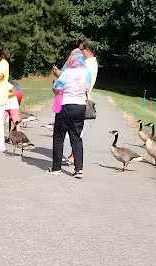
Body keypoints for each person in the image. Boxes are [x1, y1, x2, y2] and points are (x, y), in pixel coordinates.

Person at [52, 40, 98, 164]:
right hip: (80, 101)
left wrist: (59, 74)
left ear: (87, 50)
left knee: (70, 134)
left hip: (73, 100)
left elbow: (73, 81)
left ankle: (71, 158)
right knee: (76, 133)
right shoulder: (91, 64)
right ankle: (78, 166)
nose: (79, 53)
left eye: (80, 50)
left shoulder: (88, 64)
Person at [50, 48, 91, 178]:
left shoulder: (66, 72)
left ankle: (56, 168)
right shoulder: (86, 73)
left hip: (66, 105)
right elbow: (87, 88)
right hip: (80, 107)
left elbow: (56, 88)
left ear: (71, 59)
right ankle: (79, 169)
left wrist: (56, 90)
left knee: (59, 137)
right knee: (76, 137)